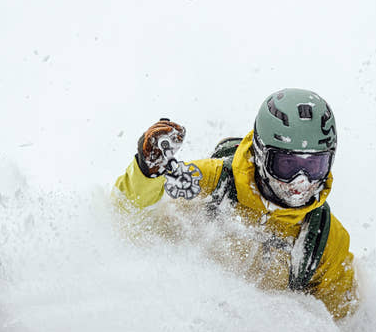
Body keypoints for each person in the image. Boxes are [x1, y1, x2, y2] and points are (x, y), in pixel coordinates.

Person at [114, 88, 357, 319]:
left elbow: (344, 322)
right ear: (261, 154)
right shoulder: (212, 184)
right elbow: (126, 220)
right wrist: (147, 174)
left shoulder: (323, 239)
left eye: (315, 166)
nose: (301, 182)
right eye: (286, 165)